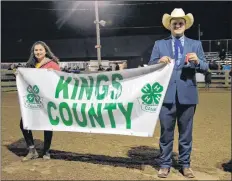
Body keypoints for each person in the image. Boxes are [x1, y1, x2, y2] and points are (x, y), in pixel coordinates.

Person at [148, 8, 208, 178]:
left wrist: (197, 62)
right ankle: (165, 164)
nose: (178, 25)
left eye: (181, 22)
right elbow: (151, 65)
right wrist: (159, 61)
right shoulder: (159, 45)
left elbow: (205, 67)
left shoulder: (196, 44)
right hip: (166, 95)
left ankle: (185, 165)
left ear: (185, 25)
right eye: (175, 23)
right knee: (166, 133)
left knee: (186, 134)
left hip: (188, 96)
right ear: (170, 26)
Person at [18, 41, 60, 161]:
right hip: (33, 101)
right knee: (24, 124)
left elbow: (59, 80)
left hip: (48, 100)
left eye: (40, 50)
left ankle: (46, 151)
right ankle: (32, 150)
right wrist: (19, 74)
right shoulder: (30, 65)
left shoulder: (53, 64)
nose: (38, 52)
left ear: (45, 51)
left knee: (47, 125)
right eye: (36, 50)